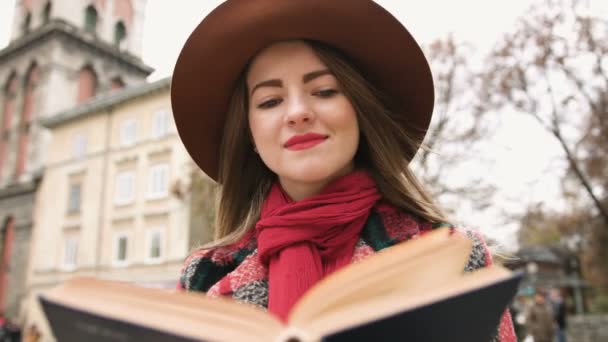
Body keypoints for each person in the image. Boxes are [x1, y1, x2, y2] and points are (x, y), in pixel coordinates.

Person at [171, 0, 516, 340]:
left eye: (323, 91)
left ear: (359, 111)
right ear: (250, 134)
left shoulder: (452, 256)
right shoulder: (204, 276)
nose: (297, 112)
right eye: (270, 101)